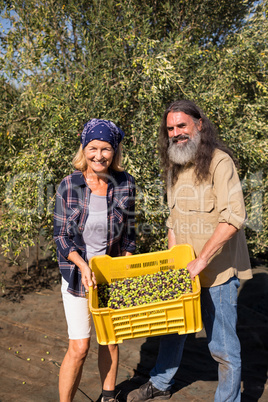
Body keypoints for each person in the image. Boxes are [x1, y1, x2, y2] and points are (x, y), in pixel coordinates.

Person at [127, 100, 252, 402]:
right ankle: (160, 382)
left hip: (216, 273)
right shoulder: (176, 166)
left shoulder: (220, 163)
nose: (176, 133)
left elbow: (234, 217)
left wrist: (199, 262)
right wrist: (174, 266)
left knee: (222, 347)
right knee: (172, 331)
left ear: (199, 124)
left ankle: (227, 399)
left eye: (181, 125)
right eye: (170, 128)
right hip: (183, 270)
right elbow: (174, 222)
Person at [54, 119, 136, 402]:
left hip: (110, 276)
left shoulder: (126, 184)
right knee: (79, 346)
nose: (99, 155)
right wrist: (83, 265)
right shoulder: (69, 185)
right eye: (93, 148)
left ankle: (109, 396)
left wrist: (122, 268)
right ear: (84, 149)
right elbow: (62, 236)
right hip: (78, 275)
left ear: (115, 151)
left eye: (105, 149)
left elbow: (130, 236)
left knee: (110, 340)